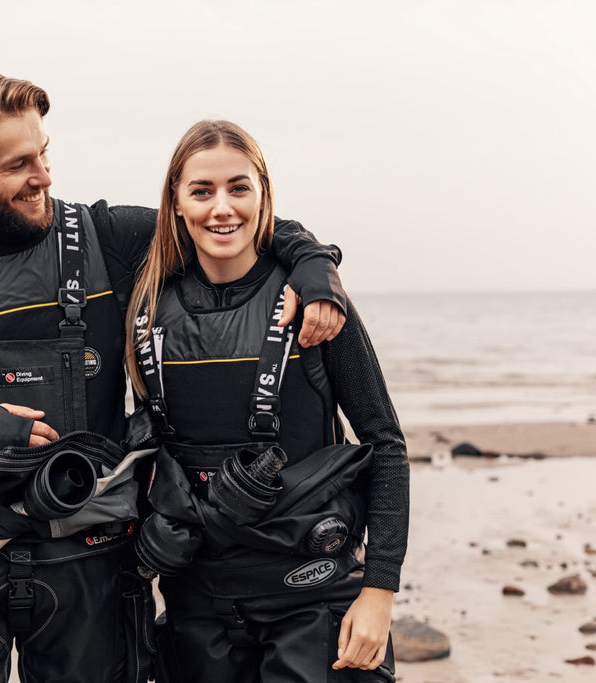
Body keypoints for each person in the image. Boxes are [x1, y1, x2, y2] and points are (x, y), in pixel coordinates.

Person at [0, 69, 348, 683]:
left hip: (89, 565)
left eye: (43, 153)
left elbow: (224, 221)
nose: (42, 177)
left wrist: (314, 267)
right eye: (17, 165)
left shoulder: (106, 239)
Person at [126, 120, 409, 682]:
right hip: (197, 608)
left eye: (239, 187)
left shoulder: (315, 307)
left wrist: (379, 590)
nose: (221, 208)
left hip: (312, 601)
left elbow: (386, 445)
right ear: (176, 203)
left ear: (264, 195)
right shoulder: (145, 306)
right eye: (201, 191)